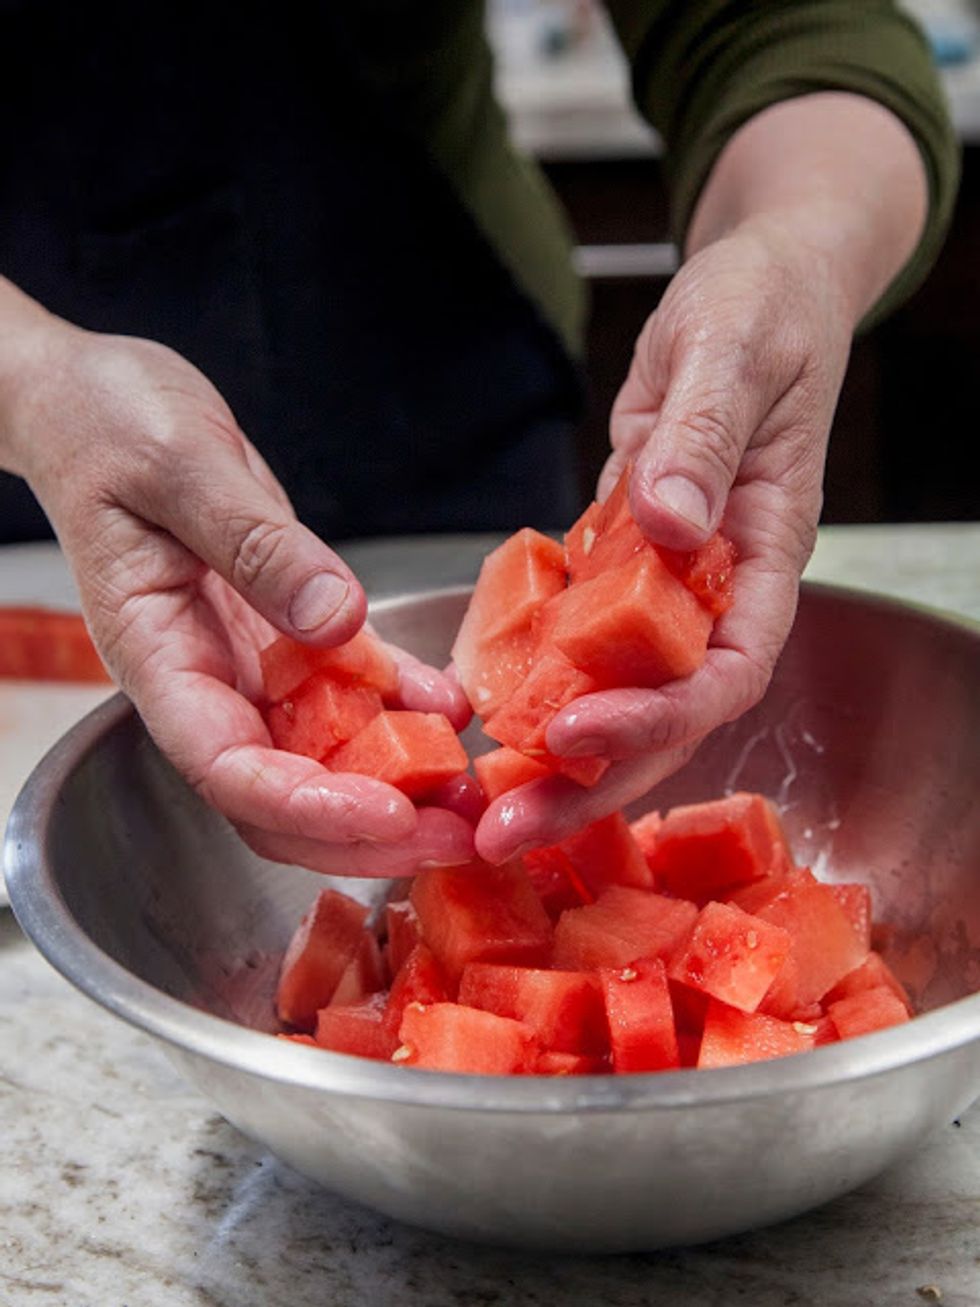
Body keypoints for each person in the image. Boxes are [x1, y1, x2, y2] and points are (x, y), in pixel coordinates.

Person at [0, 3, 958, 875]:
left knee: (532, 810)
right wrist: (34, 386)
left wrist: (795, 252)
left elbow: (799, 32)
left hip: (456, 377)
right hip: (45, 473)